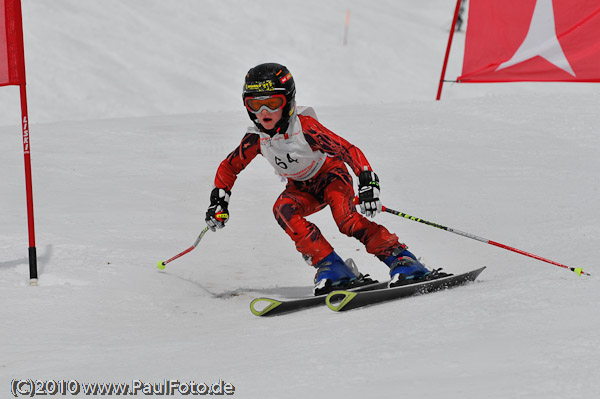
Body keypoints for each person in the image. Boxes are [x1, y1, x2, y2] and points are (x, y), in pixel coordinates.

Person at [205, 62, 432, 295]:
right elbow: (229, 167)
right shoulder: (256, 139)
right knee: (283, 209)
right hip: (301, 188)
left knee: (347, 221)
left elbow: (347, 150)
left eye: (273, 103)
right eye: (254, 104)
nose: (263, 112)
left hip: (331, 177)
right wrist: (219, 203)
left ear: (289, 102)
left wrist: (368, 181)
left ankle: (402, 259)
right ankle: (331, 266)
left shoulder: (305, 127)